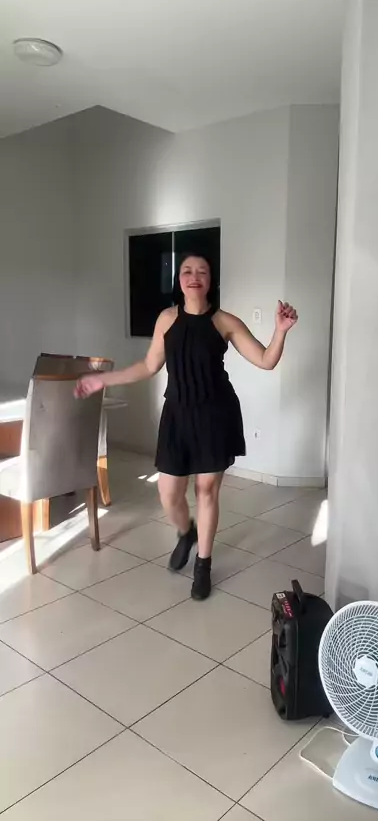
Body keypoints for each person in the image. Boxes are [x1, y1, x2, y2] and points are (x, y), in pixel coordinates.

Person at [75, 254, 298, 600]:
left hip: (215, 414)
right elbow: (149, 365)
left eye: (202, 271)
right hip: (177, 415)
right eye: (187, 271)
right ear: (179, 279)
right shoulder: (167, 319)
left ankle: (203, 566)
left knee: (206, 491)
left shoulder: (225, 321)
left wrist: (280, 331)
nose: (194, 276)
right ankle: (186, 532)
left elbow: (266, 360)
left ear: (210, 280)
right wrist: (102, 380)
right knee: (168, 493)